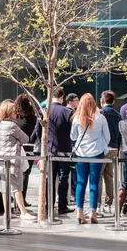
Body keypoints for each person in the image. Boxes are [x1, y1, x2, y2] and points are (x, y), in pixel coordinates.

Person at [71, 93, 110, 224]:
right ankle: (93, 212)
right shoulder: (100, 118)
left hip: (81, 153)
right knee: (94, 183)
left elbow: (73, 136)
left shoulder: (77, 118)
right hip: (96, 152)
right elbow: (108, 137)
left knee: (80, 183)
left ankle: (79, 211)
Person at [0, 100, 34, 220]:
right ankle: (23, 212)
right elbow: (26, 138)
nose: (16, 112)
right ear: (9, 112)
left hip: (2, 158)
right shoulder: (12, 125)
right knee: (17, 186)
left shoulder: (1, 123)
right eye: (14, 110)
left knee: (4, 186)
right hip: (12, 158)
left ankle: (7, 212)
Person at [46, 87, 75, 215]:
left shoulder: (45, 111)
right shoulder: (67, 112)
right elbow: (73, 131)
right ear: (62, 97)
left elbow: (38, 130)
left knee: (50, 178)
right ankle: (62, 204)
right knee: (63, 177)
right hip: (64, 149)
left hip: (50, 148)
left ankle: (49, 204)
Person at [98, 90, 121, 212]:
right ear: (113, 101)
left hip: (103, 148)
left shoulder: (101, 113)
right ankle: (109, 203)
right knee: (109, 176)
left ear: (102, 101)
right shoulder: (118, 115)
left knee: (99, 176)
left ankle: (97, 204)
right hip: (114, 148)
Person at [14, 94, 37, 206]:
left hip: (16, 146)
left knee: (15, 174)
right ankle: (22, 199)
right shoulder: (32, 117)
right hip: (29, 147)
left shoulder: (15, 117)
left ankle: (15, 198)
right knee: (25, 173)